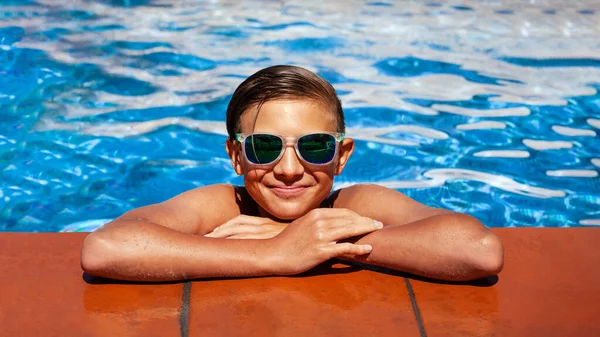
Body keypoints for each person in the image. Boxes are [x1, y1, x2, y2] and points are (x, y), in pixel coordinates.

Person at [80, 65, 504, 282]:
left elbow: (477, 249)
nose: (287, 170)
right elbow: (106, 248)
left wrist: (319, 241)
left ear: (342, 155)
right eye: (264, 147)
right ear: (235, 155)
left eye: (314, 146)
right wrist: (275, 253)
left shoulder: (357, 205)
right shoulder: (221, 206)